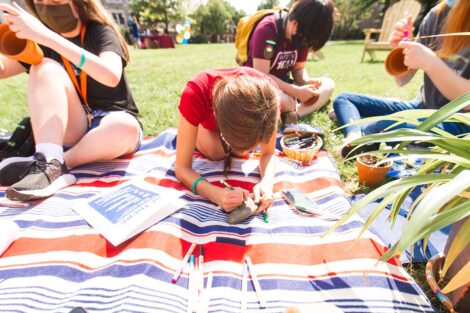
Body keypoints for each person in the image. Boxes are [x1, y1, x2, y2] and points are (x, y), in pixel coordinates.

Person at [0, 0, 142, 201]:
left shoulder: (99, 31)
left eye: (55, 1)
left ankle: (55, 164)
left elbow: (111, 76)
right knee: (44, 66)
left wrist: (47, 37)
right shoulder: (39, 40)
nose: (48, 5)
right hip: (74, 126)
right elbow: (4, 69)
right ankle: (50, 162)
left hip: (111, 123)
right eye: (40, 1)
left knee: (126, 127)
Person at [333, 0, 470, 157]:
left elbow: (467, 102)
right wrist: (403, 49)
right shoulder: (436, 16)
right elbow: (402, 80)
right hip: (420, 108)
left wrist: (431, 62)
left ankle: (361, 132)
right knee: (344, 99)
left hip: (458, 122)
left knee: (379, 127)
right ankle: (355, 136)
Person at [175, 67, 280, 213]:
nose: (246, 153)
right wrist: (214, 193)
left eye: (253, 146)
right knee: (215, 151)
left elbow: (268, 153)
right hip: (205, 122)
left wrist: (267, 182)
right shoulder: (195, 94)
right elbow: (181, 168)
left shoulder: (268, 99)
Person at [243, 0, 336, 123]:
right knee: (281, 99)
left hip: (285, 86)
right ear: (294, 24)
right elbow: (262, 76)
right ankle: (294, 107)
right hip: (260, 87)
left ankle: (295, 114)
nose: (305, 46)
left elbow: (298, 69)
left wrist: (307, 82)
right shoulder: (267, 29)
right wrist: (296, 91)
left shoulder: (304, 35)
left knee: (328, 84)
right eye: (306, 42)